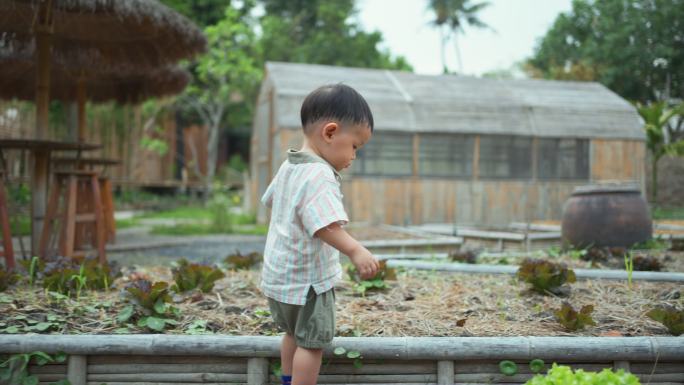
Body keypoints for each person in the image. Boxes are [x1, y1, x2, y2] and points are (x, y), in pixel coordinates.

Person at [260, 83, 380, 385]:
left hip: (280, 277)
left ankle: (287, 381)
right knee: (311, 344)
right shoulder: (320, 174)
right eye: (354, 145)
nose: (354, 156)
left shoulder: (290, 165)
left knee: (292, 334)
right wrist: (355, 250)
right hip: (308, 282)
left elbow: (273, 200)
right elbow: (325, 225)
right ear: (330, 133)